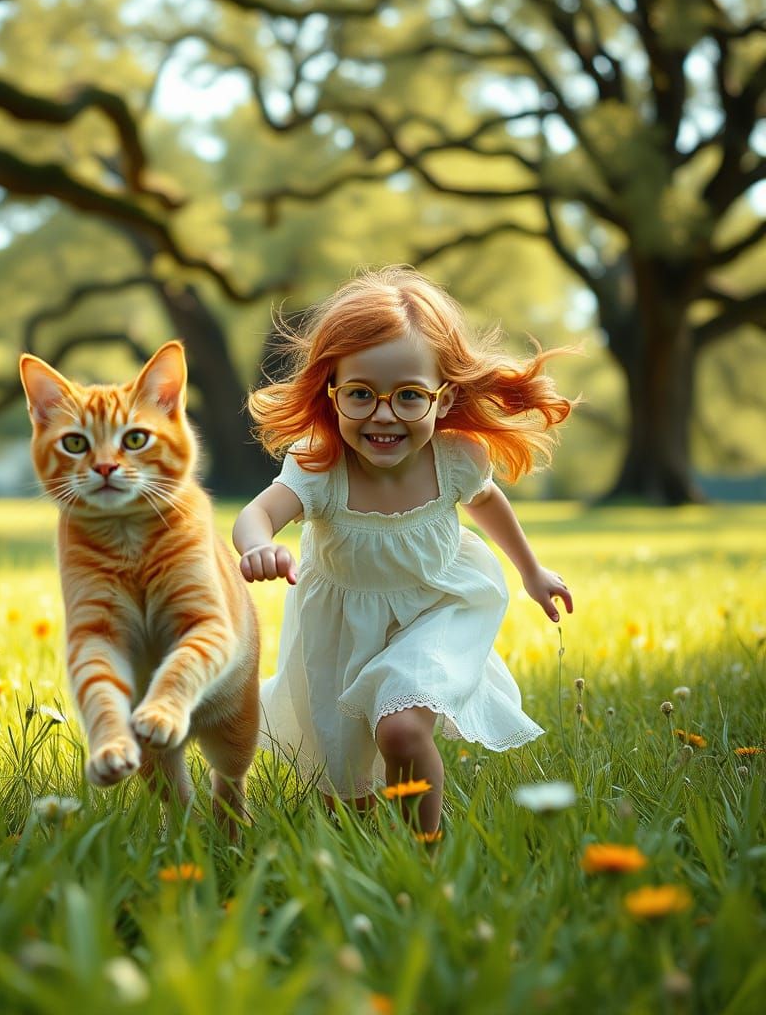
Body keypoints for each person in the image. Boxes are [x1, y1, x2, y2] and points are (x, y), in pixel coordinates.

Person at [232, 266, 575, 834]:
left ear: (444, 399)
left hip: (440, 606)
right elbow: (258, 513)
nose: (383, 415)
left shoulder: (456, 459)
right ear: (331, 393)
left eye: (409, 396)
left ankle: (426, 854)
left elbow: (488, 503)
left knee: (400, 728)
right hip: (341, 625)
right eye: (361, 394)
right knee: (343, 783)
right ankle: (361, 846)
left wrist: (531, 571)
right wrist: (258, 546)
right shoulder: (321, 466)